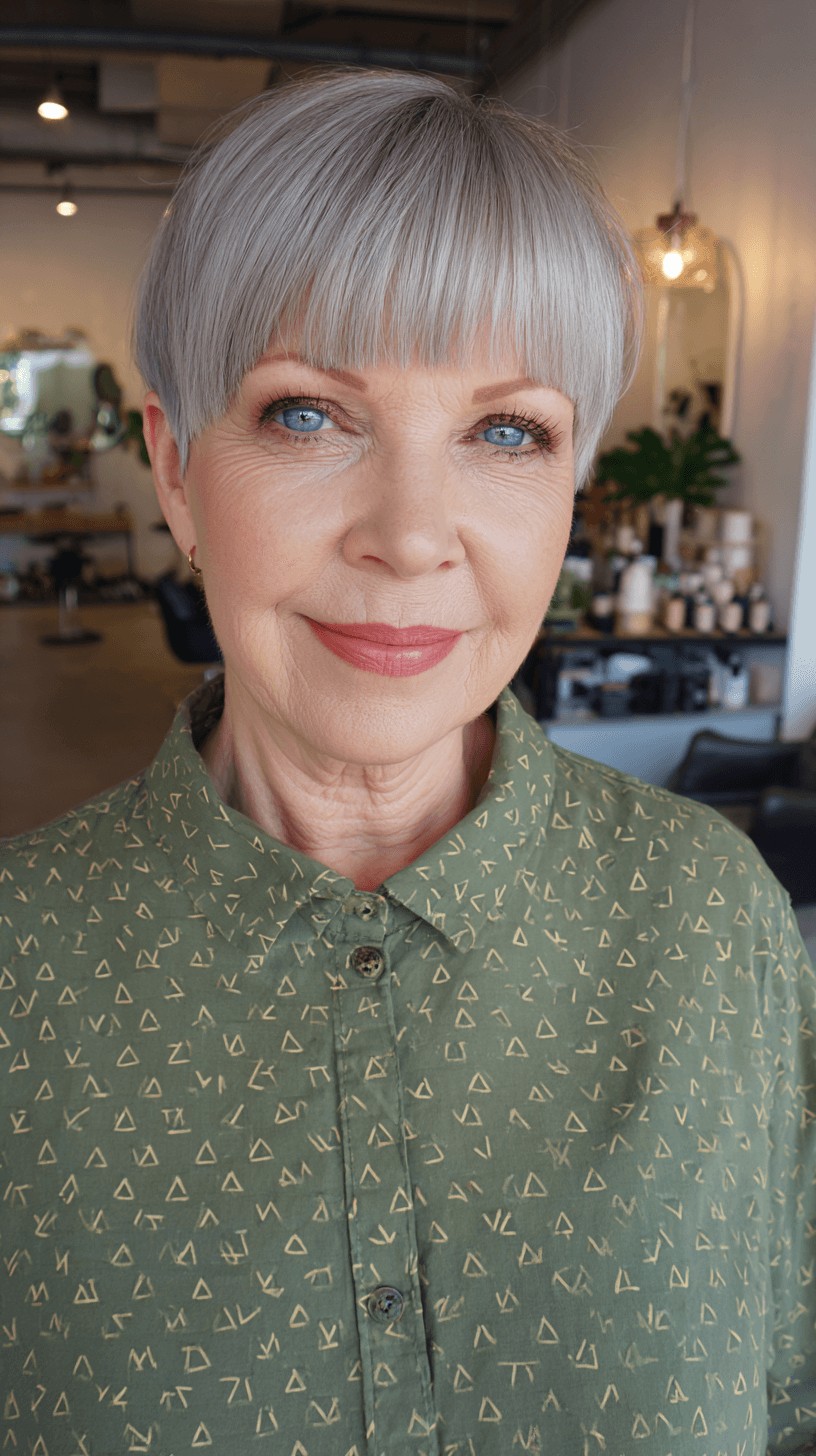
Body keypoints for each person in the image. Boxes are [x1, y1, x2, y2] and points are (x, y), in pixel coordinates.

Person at [1, 68, 814, 1456]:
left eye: (508, 431)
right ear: (177, 472)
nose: (414, 534)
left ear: (570, 485)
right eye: (308, 414)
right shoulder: (24, 967)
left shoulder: (708, 920)